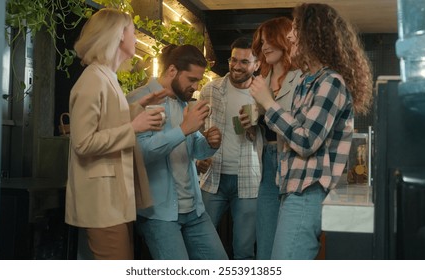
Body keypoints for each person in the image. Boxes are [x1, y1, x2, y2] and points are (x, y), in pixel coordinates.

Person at [249, 3, 373, 259]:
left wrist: (269, 103)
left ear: (314, 36)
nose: (291, 35)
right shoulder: (307, 82)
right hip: (292, 189)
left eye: (295, 29)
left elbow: (306, 141)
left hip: (308, 192)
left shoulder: (331, 83)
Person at [65, 8, 168, 260]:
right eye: (133, 32)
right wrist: (134, 127)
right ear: (120, 35)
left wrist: (139, 107)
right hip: (102, 202)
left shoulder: (105, 76)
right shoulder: (93, 80)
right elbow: (83, 142)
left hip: (112, 200)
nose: (136, 38)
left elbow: (108, 121)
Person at [127, 44, 228, 260]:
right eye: (191, 79)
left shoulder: (183, 102)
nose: (196, 85)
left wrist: (210, 142)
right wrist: (183, 129)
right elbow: (141, 154)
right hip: (160, 213)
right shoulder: (139, 99)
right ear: (172, 70)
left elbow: (194, 150)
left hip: (194, 209)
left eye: (198, 80)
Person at [197, 37, 261, 260]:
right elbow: (194, 128)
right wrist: (199, 154)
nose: (237, 66)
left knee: (244, 251)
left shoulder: (262, 95)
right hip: (212, 177)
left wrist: (255, 129)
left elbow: (270, 138)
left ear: (257, 65)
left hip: (249, 180)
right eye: (234, 60)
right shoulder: (210, 90)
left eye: (245, 62)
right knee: (202, 244)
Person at [247, 17, 303, 260]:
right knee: (265, 241)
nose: (265, 45)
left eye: (270, 39)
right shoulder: (262, 80)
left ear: (284, 40)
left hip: (291, 164)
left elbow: (299, 127)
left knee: (287, 245)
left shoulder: (301, 78)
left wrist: (267, 105)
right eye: (262, 41)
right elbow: (263, 124)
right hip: (266, 165)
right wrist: (251, 121)